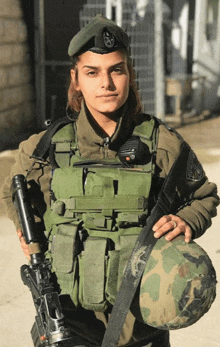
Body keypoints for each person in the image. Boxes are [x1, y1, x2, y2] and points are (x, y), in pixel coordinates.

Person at [1, 14, 219, 347]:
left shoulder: (163, 144)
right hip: (69, 322)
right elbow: (11, 192)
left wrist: (186, 219)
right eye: (92, 72)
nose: (106, 83)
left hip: (142, 327)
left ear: (130, 75)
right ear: (76, 79)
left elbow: (204, 195)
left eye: (116, 70)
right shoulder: (44, 148)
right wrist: (24, 226)